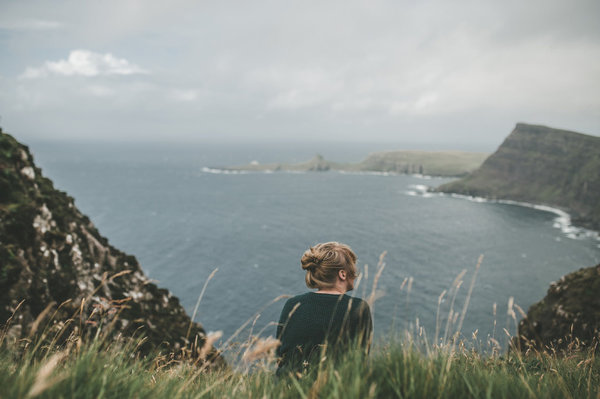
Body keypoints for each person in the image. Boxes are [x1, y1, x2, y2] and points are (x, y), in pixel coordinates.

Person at [276, 242, 373, 375]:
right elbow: (361, 359)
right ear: (343, 274)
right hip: (333, 389)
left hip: (285, 388)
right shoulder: (358, 307)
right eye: (353, 268)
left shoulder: (292, 304)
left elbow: (280, 355)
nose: (355, 273)